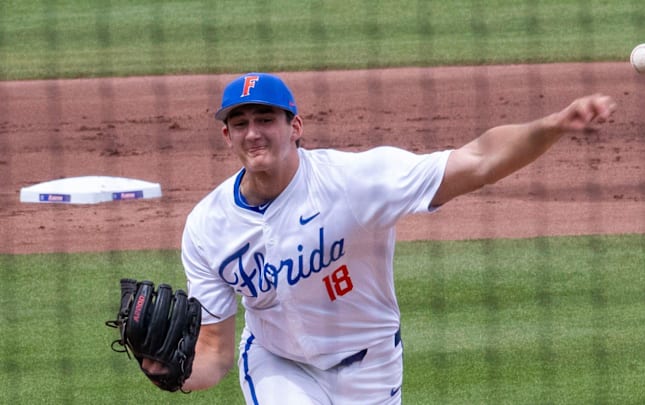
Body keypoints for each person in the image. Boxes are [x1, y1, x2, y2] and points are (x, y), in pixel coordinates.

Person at [143, 72, 616, 404]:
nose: (254, 133)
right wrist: (173, 374)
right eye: (241, 123)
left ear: (295, 127)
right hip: (277, 364)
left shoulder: (357, 182)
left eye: (266, 118)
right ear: (227, 136)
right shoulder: (207, 227)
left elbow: (479, 161)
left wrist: (552, 125)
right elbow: (215, 353)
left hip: (370, 368)